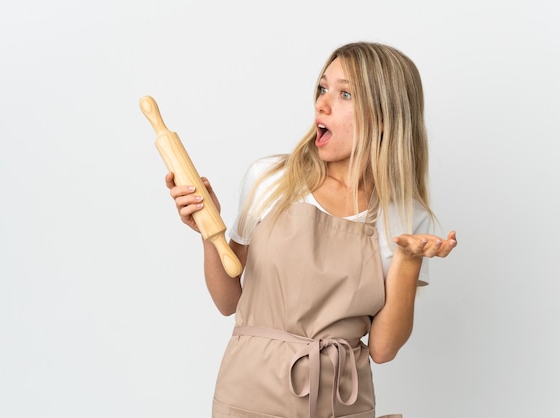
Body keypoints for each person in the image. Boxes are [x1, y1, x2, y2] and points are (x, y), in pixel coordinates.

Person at [165, 42, 457, 418]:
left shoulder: (405, 217)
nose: (322, 103)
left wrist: (409, 258)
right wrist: (209, 231)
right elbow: (228, 302)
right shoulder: (270, 180)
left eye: (345, 93)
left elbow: (383, 349)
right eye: (323, 88)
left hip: (341, 401)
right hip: (249, 394)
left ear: (385, 117)